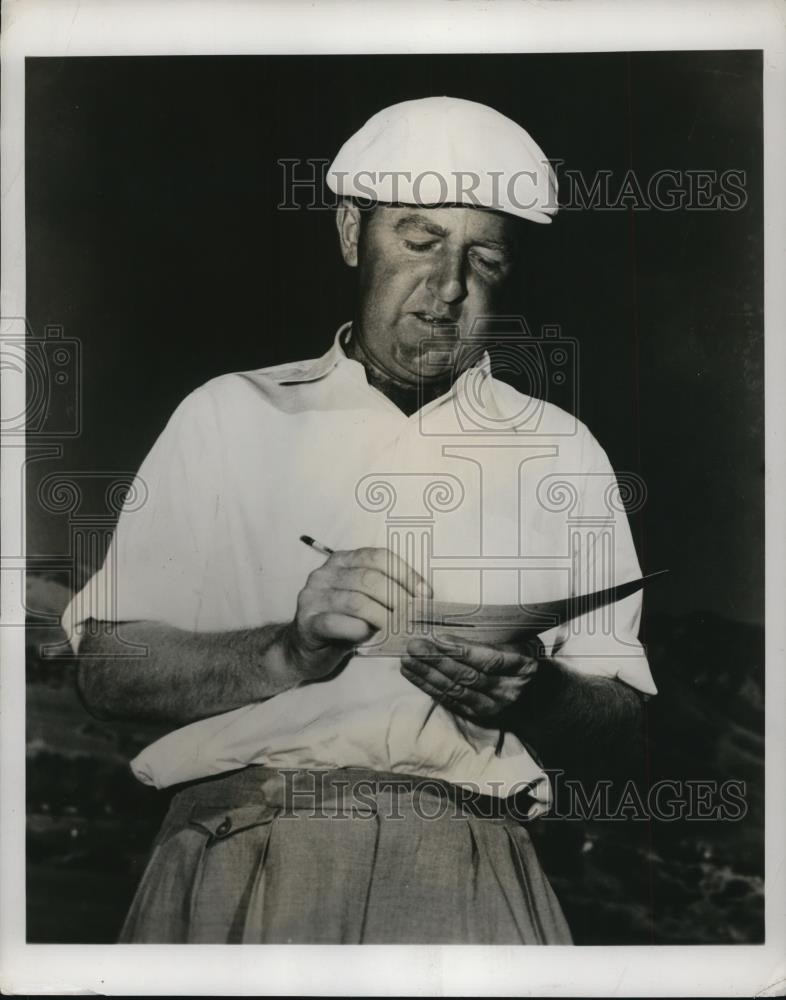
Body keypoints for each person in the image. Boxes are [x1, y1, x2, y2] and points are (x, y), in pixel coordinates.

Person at [65, 96, 657, 944]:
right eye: (418, 242)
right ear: (351, 233)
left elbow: (625, 726)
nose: (447, 288)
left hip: (473, 873)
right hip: (241, 851)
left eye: (483, 258)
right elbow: (109, 671)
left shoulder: (562, 451)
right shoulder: (229, 415)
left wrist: (542, 692)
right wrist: (286, 651)